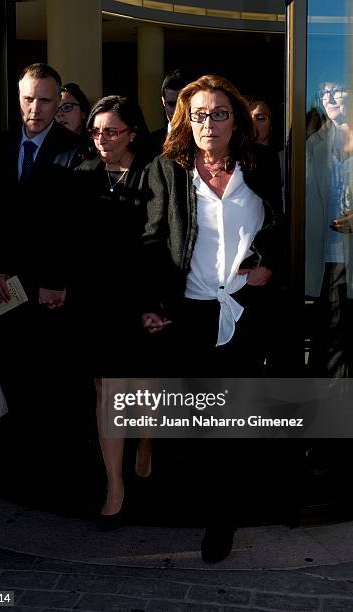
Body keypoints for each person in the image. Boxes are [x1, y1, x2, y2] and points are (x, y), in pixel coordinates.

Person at [142, 74, 284, 562]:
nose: (209, 123)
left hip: (245, 310)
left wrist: (265, 262)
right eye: (199, 114)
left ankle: (222, 519)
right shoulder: (167, 169)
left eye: (219, 113)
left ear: (235, 120)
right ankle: (200, 504)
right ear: (186, 119)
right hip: (190, 312)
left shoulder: (260, 166)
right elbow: (152, 239)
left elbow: (278, 224)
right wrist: (154, 304)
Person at [0, 63, 80, 437]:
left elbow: (74, 227)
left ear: (58, 101)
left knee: (50, 383)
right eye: (29, 99)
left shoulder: (76, 151)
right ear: (19, 98)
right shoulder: (1, 144)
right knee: (11, 372)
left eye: (45, 100)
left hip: (50, 291)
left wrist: (55, 281)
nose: (35, 108)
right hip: (7, 286)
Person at [76, 95, 153, 529]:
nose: (102, 139)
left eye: (111, 130)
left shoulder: (155, 174)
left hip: (142, 300)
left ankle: (145, 440)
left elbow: (165, 237)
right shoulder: (82, 175)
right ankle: (114, 486)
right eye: (96, 131)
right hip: (97, 301)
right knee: (107, 388)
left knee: (141, 387)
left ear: (133, 133)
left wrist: (158, 301)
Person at [306, 78, 353, 377]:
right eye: (324, 92)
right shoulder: (312, 143)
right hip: (323, 257)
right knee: (328, 339)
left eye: (337, 90)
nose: (330, 97)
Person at [150, 69, 189, 154]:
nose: (177, 111)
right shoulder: (149, 142)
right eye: (171, 104)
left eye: (181, 105)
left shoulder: (201, 141)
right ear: (163, 101)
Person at [56, 82, 91, 163]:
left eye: (67, 107)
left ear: (83, 112)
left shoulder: (99, 148)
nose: (59, 114)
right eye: (55, 109)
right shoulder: (46, 148)